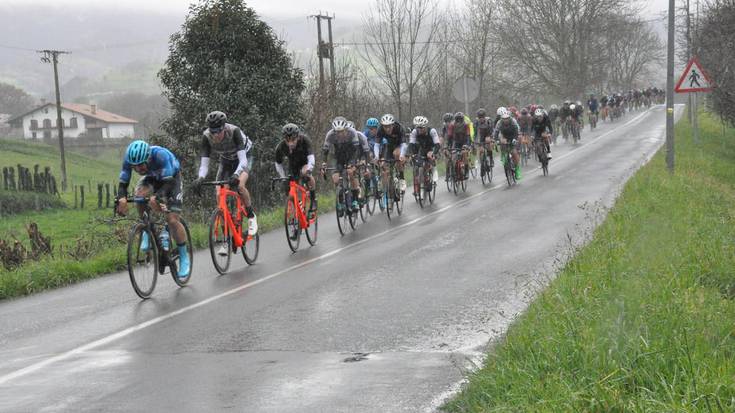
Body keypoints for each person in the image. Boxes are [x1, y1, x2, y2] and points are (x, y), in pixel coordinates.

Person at [116, 140, 191, 278]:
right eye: (135, 167)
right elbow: (123, 184)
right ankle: (147, 229)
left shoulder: (161, 155)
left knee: (172, 220)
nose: (138, 170)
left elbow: (168, 183)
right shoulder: (128, 159)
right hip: (153, 177)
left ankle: (184, 256)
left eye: (141, 166)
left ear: (148, 158)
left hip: (171, 179)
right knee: (139, 196)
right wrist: (121, 198)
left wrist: (157, 197)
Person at [192, 111, 257, 239]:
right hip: (226, 159)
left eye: (218, 131)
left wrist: (236, 175)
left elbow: (243, 161)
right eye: (213, 131)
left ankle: (251, 215)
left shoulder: (234, 131)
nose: (215, 135)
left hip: (244, 156)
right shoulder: (206, 136)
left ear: (224, 127)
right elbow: (204, 164)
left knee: (240, 186)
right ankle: (226, 233)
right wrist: (200, 178)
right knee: (219, 193)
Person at [322, 116, 372, 212]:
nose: (339, 134)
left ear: (346, 129)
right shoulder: (330, 134)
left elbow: (357, 150)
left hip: (351, 155)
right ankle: (340, 200)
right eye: (337, 132)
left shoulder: (353, 133)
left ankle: (355, 200)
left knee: (350, 172)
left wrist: (355, 163)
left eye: (342, 131)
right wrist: (324, 163)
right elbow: (325, 151)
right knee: (336, 179)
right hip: (338, 156)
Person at [274, 123, 316, 211]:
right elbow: (278, 163)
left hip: (305, 162)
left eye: (293, 139)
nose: (290, 143)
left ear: (298, 137)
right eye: (287, 140)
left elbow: (311, 157)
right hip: (293, 165)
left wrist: (309, 169)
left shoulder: (304, 140)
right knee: (288, 186)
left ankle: (313, 198)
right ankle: (297, 206)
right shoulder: (281, 146)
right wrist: (282, 177)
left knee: (306, 174)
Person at [376, 113, 407, 193]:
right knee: (384, 164)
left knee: (396, 155)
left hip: (399, 145)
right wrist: (377, 157)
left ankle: (401, 178)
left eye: (389, 126)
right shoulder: (380, 129)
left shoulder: (399, 128)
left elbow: (404, 144)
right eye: (385, 126)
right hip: (388, 146)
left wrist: (402, 155)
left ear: (393, 125)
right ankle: (387, 187)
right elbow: (377, 145)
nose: (387, 129)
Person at [408, 115, 441, 192]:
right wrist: (412, 154)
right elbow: (411, 144)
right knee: (418, 163)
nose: (419, 130)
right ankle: (421, 182)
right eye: (418, 128)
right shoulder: (415, 132)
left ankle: (434, 170)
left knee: (430, 157)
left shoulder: (432, 131)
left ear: (425, 126)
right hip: (422, 148)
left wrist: (433, 152)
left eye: (421, 128)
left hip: (432, 147)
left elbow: (437, 144)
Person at [493, 108, 521, 179]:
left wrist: (515, 139)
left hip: (513, 136)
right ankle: (504, 157)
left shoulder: (513, 121)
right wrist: (496, 140)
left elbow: (517, 131)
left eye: (507, 118)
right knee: (503, 145)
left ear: (509, 118)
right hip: (504, 136)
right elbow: (496, 132)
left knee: (514, 152)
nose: (505, 120)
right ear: (502, 118)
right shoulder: (499, 122)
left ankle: (517, 169)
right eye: (504, 119)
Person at [447, 112, 472, 179]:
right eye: (457, 120)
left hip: (464, 141)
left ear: (462, 120)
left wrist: (468, 145)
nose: (459, 122)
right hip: (456, 142)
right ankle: (454, 172)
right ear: (455, 120)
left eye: (460, 120)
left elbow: (468, 136)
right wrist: (448, 146)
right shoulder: (452, 125)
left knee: (464, 153)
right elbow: (449, 136)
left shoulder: (466, 125)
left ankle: (466, 171)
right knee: (453, 156)